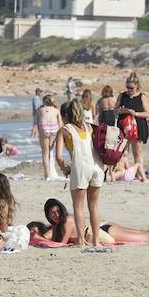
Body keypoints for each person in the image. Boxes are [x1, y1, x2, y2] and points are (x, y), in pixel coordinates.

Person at [59, 100, 103, 249]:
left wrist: (64, 169)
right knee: (94, 206)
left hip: (80, 168)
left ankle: (81, 241)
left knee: (78, 207)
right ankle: (96, 241)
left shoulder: (65, 130)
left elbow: (59, 157)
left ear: (65, 115)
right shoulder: (89, 127)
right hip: (97, 167)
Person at [117, 73, 149, 180]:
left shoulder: (142, 97)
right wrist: (120, 111)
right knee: (123, 152)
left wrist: (135, 113)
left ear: (137, 86)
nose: (129, 90)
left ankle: (141, 175)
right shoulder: (122, 95)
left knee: (137, 153)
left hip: (138, 126)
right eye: (127, 87)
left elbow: (147, 113)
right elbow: (115, 111)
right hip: (124, 126)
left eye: (131, 88)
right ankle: (129, 174)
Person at [36, 94, 61, 180]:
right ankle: (52, 170)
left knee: (45, 153)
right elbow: (60, 124)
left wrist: (36, 130)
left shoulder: (39, 110)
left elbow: (36, 122)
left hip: (44, 127)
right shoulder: (56, 110)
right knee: (51, 150)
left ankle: (47, 174)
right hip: (54, 128)